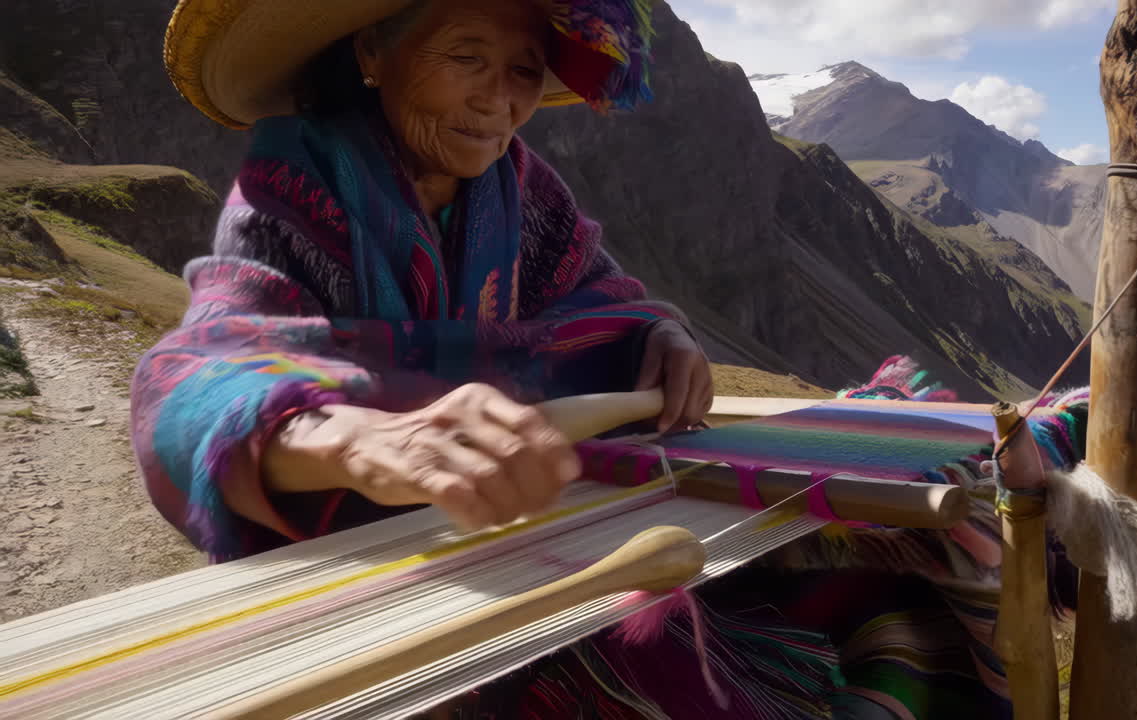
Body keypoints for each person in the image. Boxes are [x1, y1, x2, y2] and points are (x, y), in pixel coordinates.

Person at [133, 0, 713, 563]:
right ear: (373, 52)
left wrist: (656, 335)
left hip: (524, 533)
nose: (496, 101)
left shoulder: (528, 191)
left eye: (523, 70)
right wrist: (358, 441)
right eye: (466, 58)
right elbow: (206, 378)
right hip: (369, 565)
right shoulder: (286, 196)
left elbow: (602, 305)